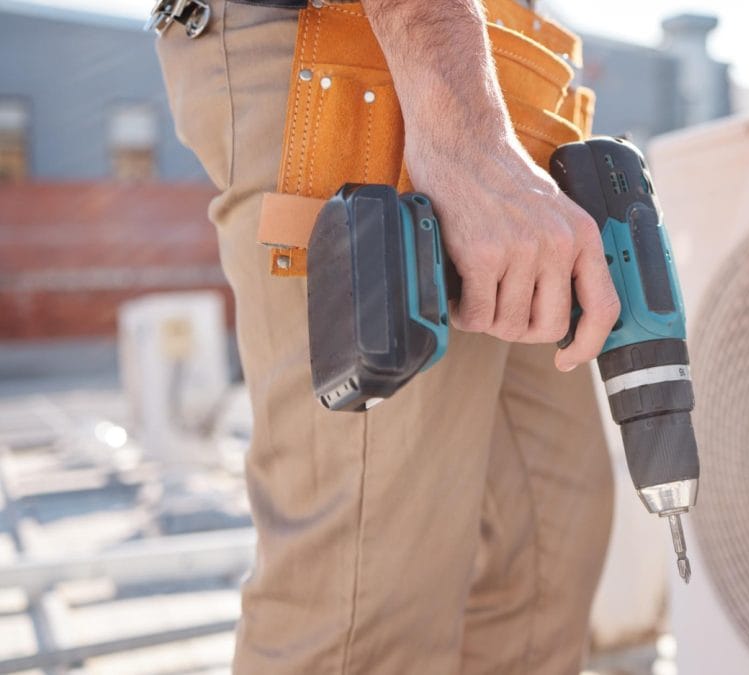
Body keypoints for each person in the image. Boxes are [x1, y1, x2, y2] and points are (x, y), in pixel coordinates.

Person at [154, 0, 618, 672]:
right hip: (370, 42)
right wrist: (460, 124)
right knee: (368, 602)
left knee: (549, 551)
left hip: (497, 69)